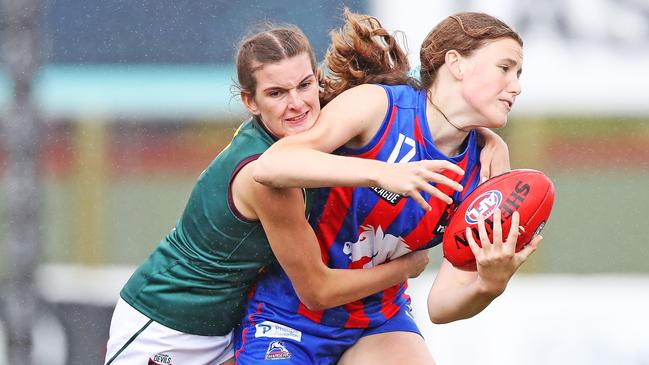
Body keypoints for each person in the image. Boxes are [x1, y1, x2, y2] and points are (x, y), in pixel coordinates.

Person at [103, 25, 439, 365]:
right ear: (251, 102)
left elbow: (409, 106)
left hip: (228, 325)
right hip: (169, 323)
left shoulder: (314, 125)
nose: (297, 104)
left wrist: (484, 142)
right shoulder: (266, 176)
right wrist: (406, 268)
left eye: (305, 85)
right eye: (277, 93)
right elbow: (317, 291)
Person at [234, 10, 542, 365]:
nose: (516, 85)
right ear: (456, 64)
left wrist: (489, 283)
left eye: (518, 73)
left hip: (377, 320)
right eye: (505, 68)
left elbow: (441, 306)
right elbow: (272, 165)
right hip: (289, 317)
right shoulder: (379, 106)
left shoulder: (486, 166)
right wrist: (381, 172)